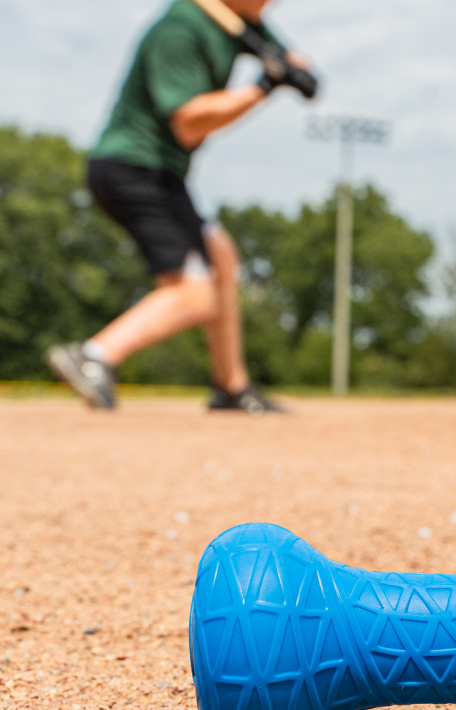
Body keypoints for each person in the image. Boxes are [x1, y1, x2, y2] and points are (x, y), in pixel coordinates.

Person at [46, 0, 313, 413]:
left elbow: (284, 54)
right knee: (194, 292)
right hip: (133, 168)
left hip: (162, 174)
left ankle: (231, 386)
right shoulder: (181, 30)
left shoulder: (240, 22)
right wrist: (263, 88)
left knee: (220, 257)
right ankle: (94, 356)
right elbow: (188, 123)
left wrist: (295, 67)